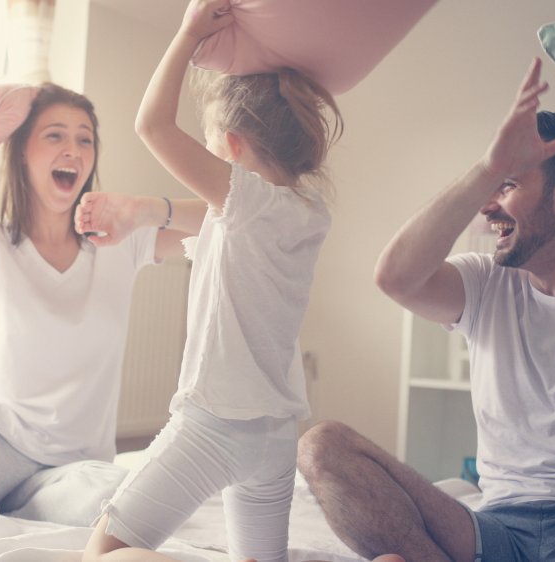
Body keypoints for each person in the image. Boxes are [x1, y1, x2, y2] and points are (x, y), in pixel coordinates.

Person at [298, 57, 555, 562]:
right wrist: (489, 169)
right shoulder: (488, 281)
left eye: (509, 187)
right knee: (321, 446)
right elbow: (396, 278)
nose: (488, 205)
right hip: (494, 531)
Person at [79, 1, 342, 560]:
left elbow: (150, 125)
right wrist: (141, 210)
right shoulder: (307, 210)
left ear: (233, 146)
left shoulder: (243, 199)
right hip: (275, 436)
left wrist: (187, 34)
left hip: (214, 424)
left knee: (102, 552)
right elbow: (212, 219)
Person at [0, 82, 194, 525]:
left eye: (84, 138)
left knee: (117, 497)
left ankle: (11, 505)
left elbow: (228, 220)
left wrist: (146, 208)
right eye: (55, 135)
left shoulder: (120, 242)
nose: (73, 149)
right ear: (23, 153)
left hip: (76, 464)